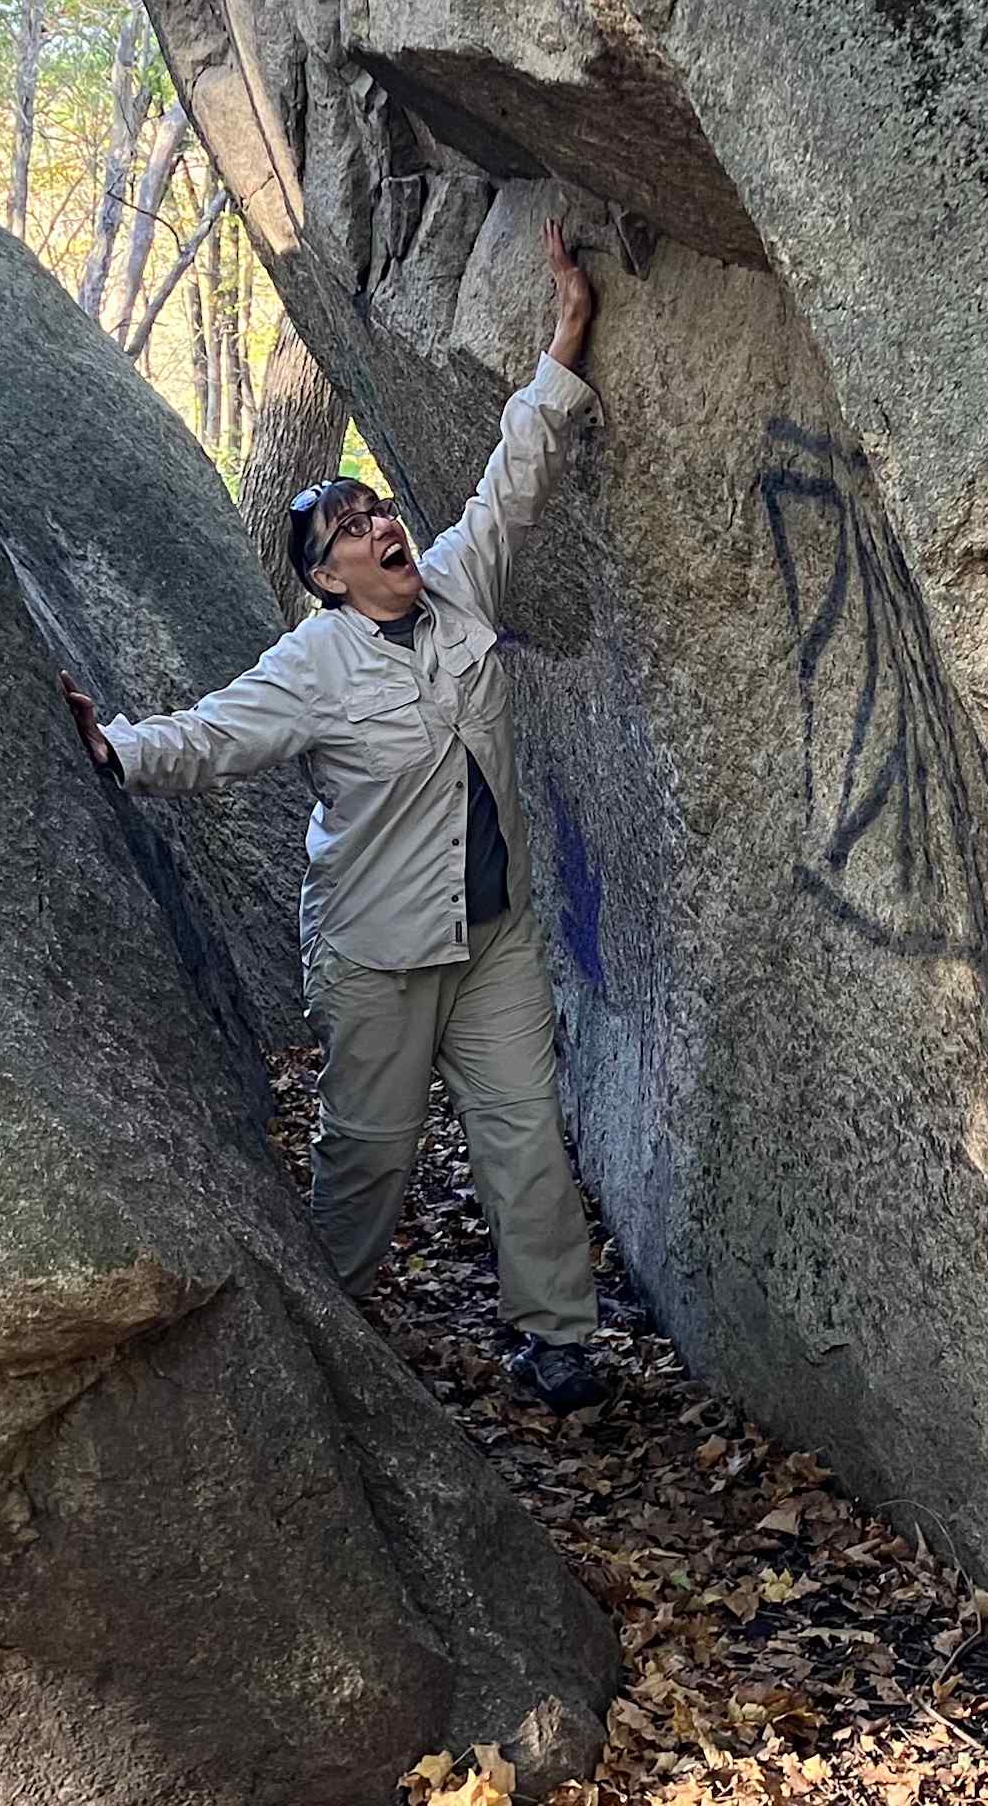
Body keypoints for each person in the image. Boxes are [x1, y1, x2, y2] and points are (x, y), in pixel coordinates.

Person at [60, 220, 611, 1411]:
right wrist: (115, 748)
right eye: (348, 528)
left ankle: (557, 1336)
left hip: (496, 936)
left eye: (375, 509)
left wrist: (566, 333)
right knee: (370, 1156)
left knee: (525, 1142)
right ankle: (335, 1331)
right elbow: (211, 734)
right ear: (325, 577)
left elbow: (515, 479)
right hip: (379, 953)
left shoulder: (457, 586)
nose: (376, 526)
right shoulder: (309, 666)